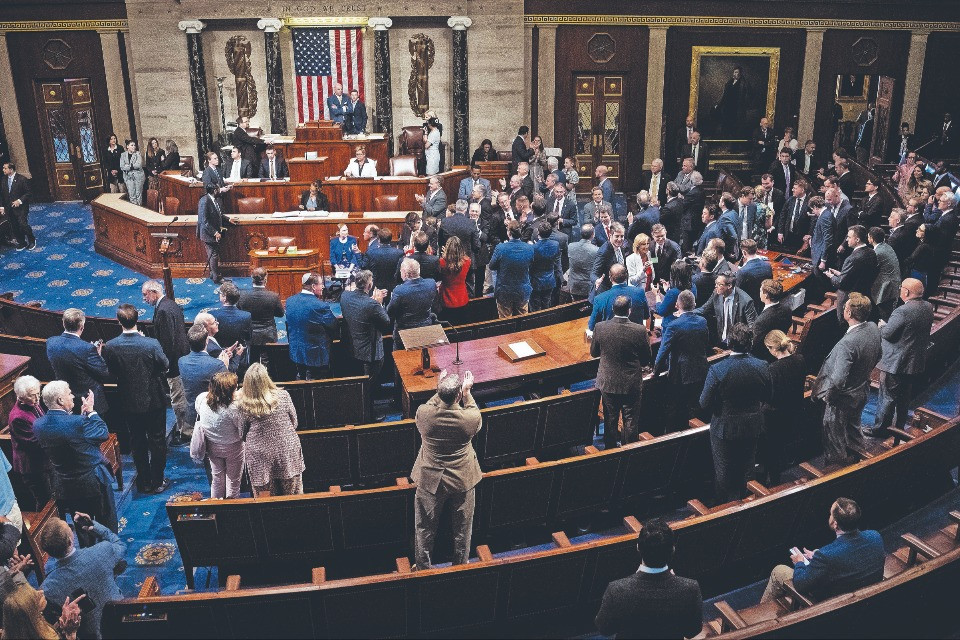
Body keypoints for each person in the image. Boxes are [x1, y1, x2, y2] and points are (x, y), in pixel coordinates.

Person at [411, 370, 482, 569]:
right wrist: (467, 392)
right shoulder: (470, 419)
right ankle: (459, 567)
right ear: (458, 395)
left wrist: (440, 386)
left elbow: (433, 404)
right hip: (462, 477)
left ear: (439, 392)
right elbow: (473, 412)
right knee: (462, 529)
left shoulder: (423, 414)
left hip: (430, 478)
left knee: (424, 528)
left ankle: (423, 568)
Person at [594, 518, 703, 640]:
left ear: (638, 548)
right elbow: (692, 631)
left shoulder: (617, 589)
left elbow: (604, 629)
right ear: (673, 550)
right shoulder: (690, 588)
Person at [101, 305, 169, 494]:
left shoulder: (112, 345)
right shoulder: (151, 343)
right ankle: (158, 481)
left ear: (118, 321)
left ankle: (144, 482)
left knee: (137, 441)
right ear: (137, 320)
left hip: (128, 401)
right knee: (157, 441)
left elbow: (110, 372)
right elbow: (165, 364)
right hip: (153, 400)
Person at [761, 498, 884, 603]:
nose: (829, 515)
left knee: (779, 571)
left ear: (835, 524)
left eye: (830, 514)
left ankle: (761, 618)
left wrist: (799, 562)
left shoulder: (826, 556)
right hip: (866, 594)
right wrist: (817, 556)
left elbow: (801, 584)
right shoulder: (875, 536)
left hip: (834, 602)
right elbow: (850, 555)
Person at [34, 382, 118, 536]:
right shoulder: (77, 422)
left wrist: (81, 417)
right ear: (60, 400)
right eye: (69, 393)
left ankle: (87, 553)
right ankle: (113, 555)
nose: (73, 396)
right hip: (93, 481)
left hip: (67, 485)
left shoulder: (38, 425)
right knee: (106, 520)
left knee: (81, 524)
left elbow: (70, 436)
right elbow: (102, 433)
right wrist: (91, 413)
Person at [700, 323, 771, 502]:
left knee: (724, 472)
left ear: (729, 343)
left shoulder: (717, 369)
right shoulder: (762, 365)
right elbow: (768, 396)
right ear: (751, 343)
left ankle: (725, 509)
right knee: (748, 469)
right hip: (752, 425)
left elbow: (703, 402)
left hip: (724, 427)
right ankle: (748, 504)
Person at [813, 293, 882, 465]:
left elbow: (838, 380)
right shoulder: (873, 327)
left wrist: (829, 398)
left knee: (834, 439)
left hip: (842, 400)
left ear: (849, 313)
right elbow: (878, 355)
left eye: (845, 307)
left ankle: (837, 474)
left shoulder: (848, 343)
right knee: (854, 432)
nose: (843, 309)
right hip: (861, 391)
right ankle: (861, 464)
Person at [865, 278, 935, 439]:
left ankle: (880, 430)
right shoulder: (927, 307)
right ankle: (898, 428)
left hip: (895, 362)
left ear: (907, 292)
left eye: (901, 288)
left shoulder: (902, 311)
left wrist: (882, 326)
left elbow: (888, 334)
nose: (900, 290)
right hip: (913, 362)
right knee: (904, 398)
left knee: (887, 397)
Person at [39, 514, 125, 640]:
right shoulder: (102, 550)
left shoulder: (46, 589)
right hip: (122, 619)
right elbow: (120, 545)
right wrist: (95, 527)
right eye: (69, 527)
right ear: (70, 540)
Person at [591, 295, 652, 448]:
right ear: (629, 311)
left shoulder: (600, 327)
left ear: (613, 309)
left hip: (608, 383)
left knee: (610, 419)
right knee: (631, 420)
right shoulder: (639, 330)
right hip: (631, 384)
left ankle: (610, 454)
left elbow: (594, 353)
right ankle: (629, 453)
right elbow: (646, 360)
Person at [234, 364, 304, 497]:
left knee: (265, 498)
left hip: (260, 455)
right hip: (287, 449)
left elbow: (242, 433)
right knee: (292, 496)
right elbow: (294, 422)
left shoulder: (243, 404)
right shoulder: (283, 395)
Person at [141, 280, 190, 445]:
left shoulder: (163, 310)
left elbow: (168, 342)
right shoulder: (170, 304)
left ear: (154, 292)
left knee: (178, 398)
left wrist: (166, 366)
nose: (144, 299)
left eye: (145, 295)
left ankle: (184, 433)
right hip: (180, 357)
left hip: (174, 362)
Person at [655, 290, 711, 432]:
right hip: (700, 370)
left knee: (675, 409)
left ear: (677, 305)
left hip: (680, 375)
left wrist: (655, 372)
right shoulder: (702, 321)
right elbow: (705, 343)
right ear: (694, 304)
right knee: (695, 407)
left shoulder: (674, 325)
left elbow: (663, 351)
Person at [759, 330, 806, 484]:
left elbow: (768, 396)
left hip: (774, 417)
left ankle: (773, 481)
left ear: (773, 349)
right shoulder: (800, 359)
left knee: (771, 451)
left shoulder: (773, 369)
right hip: (794, 411)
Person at [46, 309, 111, 416]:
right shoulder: (87, 349)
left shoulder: (51, 342)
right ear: (82, 327)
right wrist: (98, 355)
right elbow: (104, 373)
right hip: (88, 401)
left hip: (66, 399)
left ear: (63, 323)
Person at [193, 372, 243, 498]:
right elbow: (242, 430)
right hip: (233, 448)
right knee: (233, 481)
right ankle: (231, 510)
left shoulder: (202, 399)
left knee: (217, 479)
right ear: (229, 391)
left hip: (212, 446)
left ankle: (216, 507)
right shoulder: (234, 408)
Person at [339, 270, 390, 387]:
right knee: (370, 385)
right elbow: (386, 322)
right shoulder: (372, 305)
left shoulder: (345, 296)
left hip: (352, 349)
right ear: (370, 286)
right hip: (370, 354)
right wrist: (379, 304)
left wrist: (372, 300)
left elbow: (360, 307)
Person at [178, 324, 230, 439]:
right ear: (207, 341)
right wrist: (225, 365)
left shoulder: (181, 361)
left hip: (191, 416)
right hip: (212, 416)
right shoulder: (217, 365)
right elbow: (228, 387)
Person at [285, 272, 338, 380]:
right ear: (313, 286)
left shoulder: (290, 301)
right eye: (321, 284)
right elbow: (334, 327)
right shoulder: (320, 306)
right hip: (316, 356)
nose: (323, 286)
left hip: (297, 352)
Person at [7, 376, 50, 508]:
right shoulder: (17, 418)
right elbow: (34, 443)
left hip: (42, 462)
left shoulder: (32, 404)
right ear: (20, 397)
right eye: (32, 396)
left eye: (38, 393)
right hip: (33, 467)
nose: (37, 398)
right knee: (45, 501)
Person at [828, 225, 879, 323]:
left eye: (849, 237)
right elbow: (857, 275)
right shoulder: (871, 252)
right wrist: (840, 273)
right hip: (864, 296)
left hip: (849, 300)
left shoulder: (852, 258)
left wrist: (831, 276)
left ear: (857, 239)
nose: (846, 239)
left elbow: (841, 283)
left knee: (845, 325)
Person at [695, 273, 757, 347]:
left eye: (719, 284)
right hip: (720, 341)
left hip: (738, 343)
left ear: (729, 286)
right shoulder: (716, 293)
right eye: (716, 283)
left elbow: (752, 327)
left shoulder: (746, 301)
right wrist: (686, 312)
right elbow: (704, 309)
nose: (715, 286)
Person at [3, 583, 84, 640]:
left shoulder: (28, 626)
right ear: (31, 612)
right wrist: (71, 635)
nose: (41, 591)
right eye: (35, 596)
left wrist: (62, 622)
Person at [387, 258, 438, 349]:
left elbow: (390, 312)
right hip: (425, 330)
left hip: (405, 333)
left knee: (401, 361)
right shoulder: (431, 283)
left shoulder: (399, 290)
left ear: (405, 273)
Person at [237, 268, 284, 364]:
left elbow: (239, 312)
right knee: (269, 360)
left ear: (251, 278)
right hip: (268, 334)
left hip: (250, 334)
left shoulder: (242, 295)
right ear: (265, 279)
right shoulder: (273, 296)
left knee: (252, 360)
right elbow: (280, 314)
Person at [490, 219, 535, 317]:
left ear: (508, 233)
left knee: (506, 324)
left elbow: (491, 266)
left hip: (504, 292)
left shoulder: (500, 248)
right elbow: (531, 264)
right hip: (522, 291)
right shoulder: (530, 248)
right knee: (523, 321)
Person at [588, 264, 650, 333]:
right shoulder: (640, 292)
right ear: (626, 276)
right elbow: (646, 316)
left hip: (610, 341)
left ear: (610, 277)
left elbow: (591, 326)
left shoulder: (599, 299)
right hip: (637, 339)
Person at [438, 199, 481, 296]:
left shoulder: (445, 222)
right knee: (469, 289)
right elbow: (476, 245)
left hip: (448, 261)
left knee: (449, 287)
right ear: (466, 209)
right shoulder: (471, 223)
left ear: (456, 208)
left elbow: (440, 242)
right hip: (467, 261)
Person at [197, 184, 238, 284]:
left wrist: (228, 219)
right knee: (213, 254)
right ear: (215, 190)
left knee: (212, 254)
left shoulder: (212, 199)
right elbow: (204, 221)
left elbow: (218, 215)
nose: (219, 190)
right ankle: (216, 277)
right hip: (208, 233)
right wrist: (215, 232)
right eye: (218, 189)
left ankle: (213, 274)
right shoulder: (205, 201)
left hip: (211, 232)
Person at [209, 281, 252, 373]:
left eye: (220, 294)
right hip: (239, 354)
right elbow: (249, 337)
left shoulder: (212, 315)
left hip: (219, 356)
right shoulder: (246, 316)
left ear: (224, 298)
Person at [752, 279, 793, 360]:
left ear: (766, 295)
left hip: (763, 357)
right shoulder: (787, 309)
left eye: (760, 291)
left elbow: (754, 345)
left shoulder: (761, 321)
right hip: (779, 350)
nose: (759, 293)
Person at [868, 227, 902, 321]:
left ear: (871, 238)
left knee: (885, 317)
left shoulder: (877, 252)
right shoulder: (886, 246)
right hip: (893, 285)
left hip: (886, 289)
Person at [591, 222, 630, 302]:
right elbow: (593, 273)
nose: (619, 239)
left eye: (622, 236)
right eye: (617, 236)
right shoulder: (604, 252)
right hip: (605, 293)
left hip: (618, 290)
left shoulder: (620, 247)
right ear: (610, 235)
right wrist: (596, 280)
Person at [0, 162, 33, 251]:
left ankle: (32, 240)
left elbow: (28, 193)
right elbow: (2, 195)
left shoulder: (22, 179)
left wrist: (19, 200)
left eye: (5, 168)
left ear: (11, 169)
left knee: (22, 224)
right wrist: (2, 207)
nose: (3, 170)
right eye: (3, 168)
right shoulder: (3, 180)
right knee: (14, 226)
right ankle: (22, 242)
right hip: (9, 207)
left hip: (21, 207)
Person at [529, 221, 561, 311]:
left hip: (535, 282)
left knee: (535, 309)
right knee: (546, 306)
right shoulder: (555, 244)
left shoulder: (533, 248)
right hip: (549, 280)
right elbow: (557, 262)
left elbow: (530, 264)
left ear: (538, 233)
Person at [656, 261, 695, 333]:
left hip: (671, 328)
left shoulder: (673, 293)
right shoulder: (693, 287)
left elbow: (661, 311)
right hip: (687, 325)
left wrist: (657, 296)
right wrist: (667, 290)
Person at [364, 228, 405, 293]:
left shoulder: (370, 253)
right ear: (390, 239)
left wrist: (357, 254)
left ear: (379, 240)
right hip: (394, 288)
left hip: (375, 288)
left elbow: (364, 267)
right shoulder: (399, 253)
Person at [735, 239, 773, 309]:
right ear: (756, 250)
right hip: (764, 304)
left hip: (749, 308)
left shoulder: (742, 272)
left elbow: (737, 293)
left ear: (744, 252)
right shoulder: (768, 266)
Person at [438, 236, 471, 313]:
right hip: (462, 297)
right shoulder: (467, 261)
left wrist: (444, 255)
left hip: (446, 298)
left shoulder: (442, 262)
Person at [567, 224, 600, 300]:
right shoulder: (596, 250)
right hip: (588, 287)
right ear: (593, 235)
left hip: (573, 286)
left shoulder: (570, 246)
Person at [778, 180, 811, 250]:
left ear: (802, 190)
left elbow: (812, 222)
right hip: (788, 235)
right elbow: (782, 216)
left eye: (795, 188)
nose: (792, 190)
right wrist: (780, 232)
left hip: (801, 238)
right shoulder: (790, 200)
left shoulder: (810, 202)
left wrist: (809, 236)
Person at [119, 140, 145, 206]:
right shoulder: (123, 155)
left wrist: (128, 166)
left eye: (134, 145)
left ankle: (139, 210)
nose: (134, 147)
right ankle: (134, 210)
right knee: (131, 195)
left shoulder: (137, 154)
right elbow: (122, 167)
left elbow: (138, 165)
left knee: (138, 194)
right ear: (127, 146)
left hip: (138, 177)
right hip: (128, 177)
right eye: (132, 145)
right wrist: (132, 166)